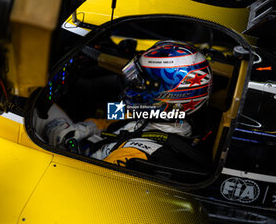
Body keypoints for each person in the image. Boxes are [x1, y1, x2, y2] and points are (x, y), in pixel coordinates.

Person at [45, 40, 213, 176]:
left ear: (172, 96)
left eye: (142, 84)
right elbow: (110, 119)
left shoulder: (135, 155)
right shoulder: (154, 115)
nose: (131, 87)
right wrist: (83, 129)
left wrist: (66, 146)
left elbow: (82, 183)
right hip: (87, 142)